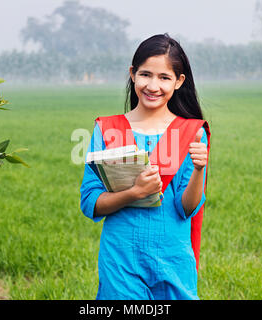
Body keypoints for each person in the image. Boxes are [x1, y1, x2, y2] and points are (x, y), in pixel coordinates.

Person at [80, 33, 210, 300]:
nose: (153, 85)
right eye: (146, 75)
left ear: (179, 81)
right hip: (120, 260)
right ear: (132, 74)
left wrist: (198, 169)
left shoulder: (191, 132)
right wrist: (134, 193)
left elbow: (186, 208)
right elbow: (90, 202)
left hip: (172, 259)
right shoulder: (106, 130)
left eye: (164, 78)